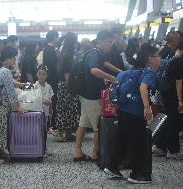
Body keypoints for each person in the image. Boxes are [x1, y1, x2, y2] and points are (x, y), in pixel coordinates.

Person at [104, 43, 161, 184]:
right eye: (158, 56)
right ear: (150, 58)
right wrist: (147, 108)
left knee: (122, 139)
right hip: (135, 112)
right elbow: (143, 87)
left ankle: (112, 166)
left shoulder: (131, 71)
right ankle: (137, 174)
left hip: (122, 110)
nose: (160, 59)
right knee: (138, 143)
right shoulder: (149, 72)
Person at [74, 30, 115, 162]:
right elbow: (94, 70)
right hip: (91, 96)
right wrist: (111, 78)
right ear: (100, 41)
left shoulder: (96, 53)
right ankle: (95, 153)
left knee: (83, 123)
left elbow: (103, 66)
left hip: (86, 94)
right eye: (108, 42)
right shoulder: (94, 54)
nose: (110, 45)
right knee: (98, 126)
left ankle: (77, 152)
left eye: (111, 42)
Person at [0, 47, 26, 165]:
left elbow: (9, 83)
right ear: (10, 58)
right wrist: (18, 107)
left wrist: (19, 83)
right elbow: (11, 92)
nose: (14, 61)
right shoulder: (6, 71)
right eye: (14, 58)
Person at [152, 38, 183, 159]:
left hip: (167, 95)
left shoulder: (171, 59)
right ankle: (173, 151)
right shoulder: (178, 61)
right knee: (173, 122)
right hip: (173, 96)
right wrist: (180, 101)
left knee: (171, 120)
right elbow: (179, 82)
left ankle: (159, 145)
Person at [54, 32, 80, 141]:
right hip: (66, 85)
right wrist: (71, 87)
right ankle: (60, 133)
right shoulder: (68, 54)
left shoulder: (63, 52)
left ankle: (68, 133)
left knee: (67, 109)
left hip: (62, 84)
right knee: (66, 109)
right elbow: (66, 73)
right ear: (72, 42)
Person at [33, 64, 54, 157]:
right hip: (37, 113)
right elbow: (33, 99)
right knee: (38, 131)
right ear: (36, 75)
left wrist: (50, 110)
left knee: (45, 131)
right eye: (39, 74)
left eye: (43, 74)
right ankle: (39, 148)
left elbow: (51, 99)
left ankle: (44, 148)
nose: (41, 76)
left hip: (45, 112)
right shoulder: (35, 86)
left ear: (47, 75)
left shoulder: (48, 86)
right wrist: (41, 101)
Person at [43, 30, 59, 129]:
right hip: (52, 80)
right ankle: (52, 124)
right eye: (57, 37)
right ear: (54, 37)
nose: (58, 39)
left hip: (49, 79)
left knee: (51, 101)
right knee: (53, 101)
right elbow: (53, 67)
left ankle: (51, 123)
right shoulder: (51, 50)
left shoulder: (47, 49)